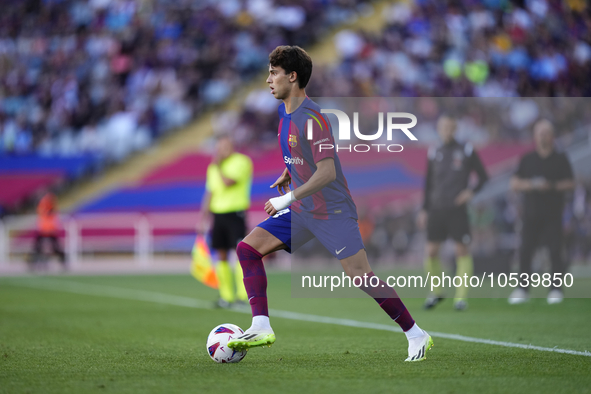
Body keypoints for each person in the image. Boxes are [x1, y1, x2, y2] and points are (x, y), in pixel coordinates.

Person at [227, 45, 432, 362]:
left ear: (292, 77)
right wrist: (289, 173)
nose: (268, 80)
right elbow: (303, 156)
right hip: (304, 210)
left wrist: (286, 198)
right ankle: (260, 325)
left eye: (274, 73)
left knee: (361, 276)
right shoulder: (286, 114)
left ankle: (416, 334)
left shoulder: (313, 118)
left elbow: (327, 171)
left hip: (332, 211)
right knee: (248, 249)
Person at [418, 114, 489, 311]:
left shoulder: (466, 150)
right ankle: (436, 292)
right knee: (431, 251)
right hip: (436, 209)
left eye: (450, 127)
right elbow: (428, 183)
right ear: (438, 129)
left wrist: (470, 192)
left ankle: (461, 297)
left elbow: (484, 177)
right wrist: (424, 209)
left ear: (455, 129)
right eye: (443, 127)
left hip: (457, 210)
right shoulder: (434, 151)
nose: (446, 131)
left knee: (461, 250)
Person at [508, 119, 575, 305]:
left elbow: (571, 183)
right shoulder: (527, 159)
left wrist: (551, 185)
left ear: (552, 136)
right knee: (525, 251)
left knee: (555, 252)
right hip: (531, 214)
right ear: (535, 136)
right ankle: (522, 288)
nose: (543, 136)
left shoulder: (560, 159)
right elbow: (514, 183)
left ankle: (555, 289)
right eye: (540, 133)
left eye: (546, 133)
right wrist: (531, 184)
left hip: (553, 214)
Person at [200, 135, 253, 308]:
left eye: (225, 146)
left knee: (239, 253)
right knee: (221, 254)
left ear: (232, 147)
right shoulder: (213, 167)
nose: (222, 150)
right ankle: (226, 296)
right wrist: (203, 217)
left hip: (235, 212)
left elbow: (229, 182)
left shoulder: (241, 161)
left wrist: (218, 166)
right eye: (220, 147)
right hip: (218, 214)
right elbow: (210, 192)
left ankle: (242, 296)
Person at [28, 192, 66, 269]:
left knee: (56, 248)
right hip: (43, 231)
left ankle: (63, 262)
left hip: (50, 231)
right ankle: (32, 262)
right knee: (37, 248)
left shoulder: (51, 210)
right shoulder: (44, 209)